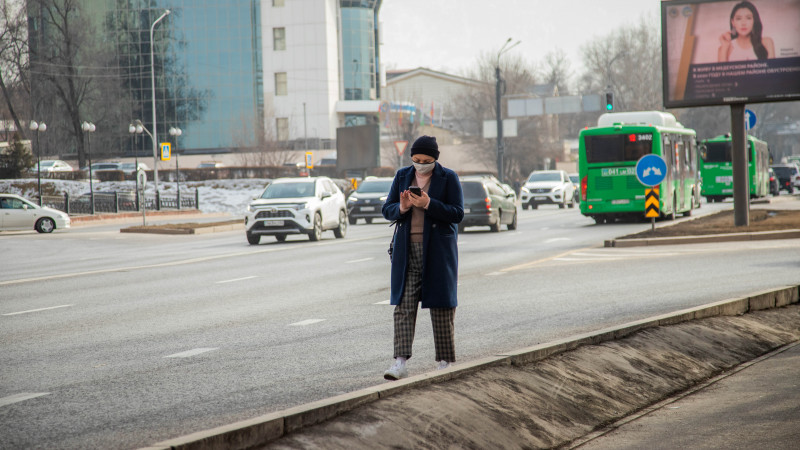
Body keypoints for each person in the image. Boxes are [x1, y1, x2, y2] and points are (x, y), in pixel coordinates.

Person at [381, 135, 464, 380]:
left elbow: (457, 213)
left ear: (435, 159)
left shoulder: (449, 177)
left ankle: (445, 361)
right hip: (407, 251)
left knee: (441, 306)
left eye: (426, 160)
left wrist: (429, 204)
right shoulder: (402, 176)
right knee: (404, 306)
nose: (421, 164)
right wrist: (403, 207)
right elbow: (388, 209)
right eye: (417, 160)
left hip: (438, 251)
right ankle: (399, 362)